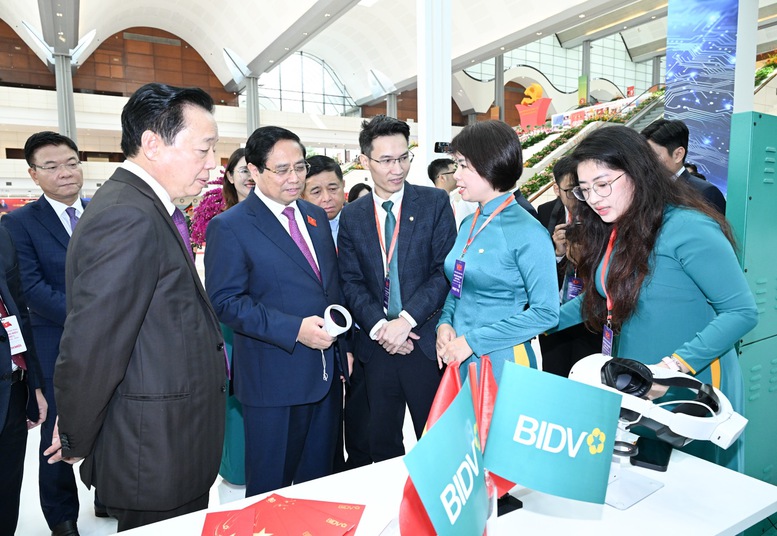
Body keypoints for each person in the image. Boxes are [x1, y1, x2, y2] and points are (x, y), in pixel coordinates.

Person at [45, 83, 227, 531]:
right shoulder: (127, 215)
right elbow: (93, 343)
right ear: (153, 144)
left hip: (170, 437)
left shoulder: (146, 207)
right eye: (203, 149)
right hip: (154, 447)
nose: (213, 163)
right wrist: (75, 431)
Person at [557, 125, 757, 470]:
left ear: (638, 173)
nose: (594, 198)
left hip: (691, 379)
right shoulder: (619, 227)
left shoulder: (688, 227)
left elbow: (741, 311)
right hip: (639, 379)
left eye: (603, 184)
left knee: (698, 489)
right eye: (585, 189)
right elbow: (602, 298)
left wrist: (671, 369)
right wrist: (538, 322)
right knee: (646, 483)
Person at [205, 126, 348, 497]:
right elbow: (225, 301)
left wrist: (343, 348)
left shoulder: (314, 217)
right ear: (254, 171)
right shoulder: (230, 226)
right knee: (273, 491)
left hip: (324, 374)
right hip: (272, 380)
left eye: (300, 167)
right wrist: (295, 329)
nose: (294, 178)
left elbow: (329, 288)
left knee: (320, 484)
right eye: (282, 170)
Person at [338, 115, 456, 462]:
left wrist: (405, 321)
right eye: (386, 160)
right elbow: (351, 280)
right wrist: (381, 327)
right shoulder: (353, 215)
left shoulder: (434, 203)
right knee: (382, 446)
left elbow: (443, 272)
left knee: (438, 444)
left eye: (404, 157)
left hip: (424, 343)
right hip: (377, 348)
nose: (398, 168)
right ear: (365, 161)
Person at [1, 132, 90, 536]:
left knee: (114, 416)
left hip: (115, 339)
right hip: (55, 342)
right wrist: (94, 317)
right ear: (34, 175)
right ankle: (62, 516)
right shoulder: (18, 223)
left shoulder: (101, 213)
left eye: (71, 162)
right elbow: (31, 288)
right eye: (51, 166)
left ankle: (109, 491)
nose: (65, 172)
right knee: (58, 428)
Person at [435, 120, 558, 382]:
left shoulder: (528, 232)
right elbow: (458, 287)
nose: (456, 175)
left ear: (489, 165)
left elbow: (546, 313)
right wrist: (445, 322)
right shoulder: (469, 223)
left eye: (463, 165)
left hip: (503, 361)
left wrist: (473, 341)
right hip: (459, 356)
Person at [302, 155, 371, 471]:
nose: (326, 198)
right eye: (315, 191)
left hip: (365, 333)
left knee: (363, 418)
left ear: (344, 187)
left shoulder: (362, 224)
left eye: (333, 188)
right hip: (322, 336)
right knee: (326, 427)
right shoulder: (301, 232)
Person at [190, 147, 251, 489]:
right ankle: (238, 467)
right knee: (236, 394)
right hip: (231, 322)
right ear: (229, 176)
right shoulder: (221, 222)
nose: (250, 177)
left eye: (255, 169)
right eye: (243, 170)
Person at [536, 156, 601, 377]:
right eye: (569, 191)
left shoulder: (600, 213)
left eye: (581, 190)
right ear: (556, 189)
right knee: (554, 375)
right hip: (555, 313)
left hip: (590, 318)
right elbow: (538, 269)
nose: (577, 197)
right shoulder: (545, 213)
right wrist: (557, 253)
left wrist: (586, 256)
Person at [0, 226, 46, 536]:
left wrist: (34, 385)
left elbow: (19, 313)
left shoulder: (3, 237)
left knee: (6, 492)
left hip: (13, 387)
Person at [641, 119, 725, 214]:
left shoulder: (705, 193)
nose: (647, 161)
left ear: (678, 155)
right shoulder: (645, 191)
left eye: (653, 155)